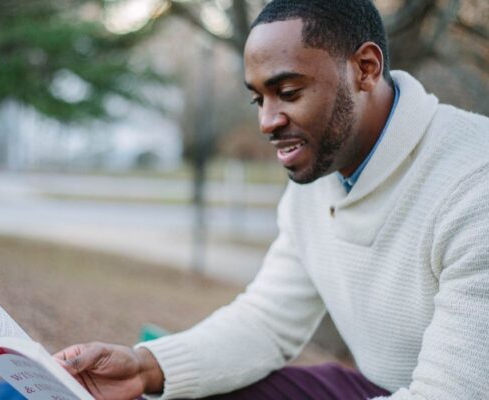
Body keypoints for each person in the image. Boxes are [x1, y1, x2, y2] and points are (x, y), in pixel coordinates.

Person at [54, 0, 489, 399]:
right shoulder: (321, 174)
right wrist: (146, 367)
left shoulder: (474, 183)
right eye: (258, 97)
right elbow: (267, 321)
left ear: (366, 68)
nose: (266, 121)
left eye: (289, 92)